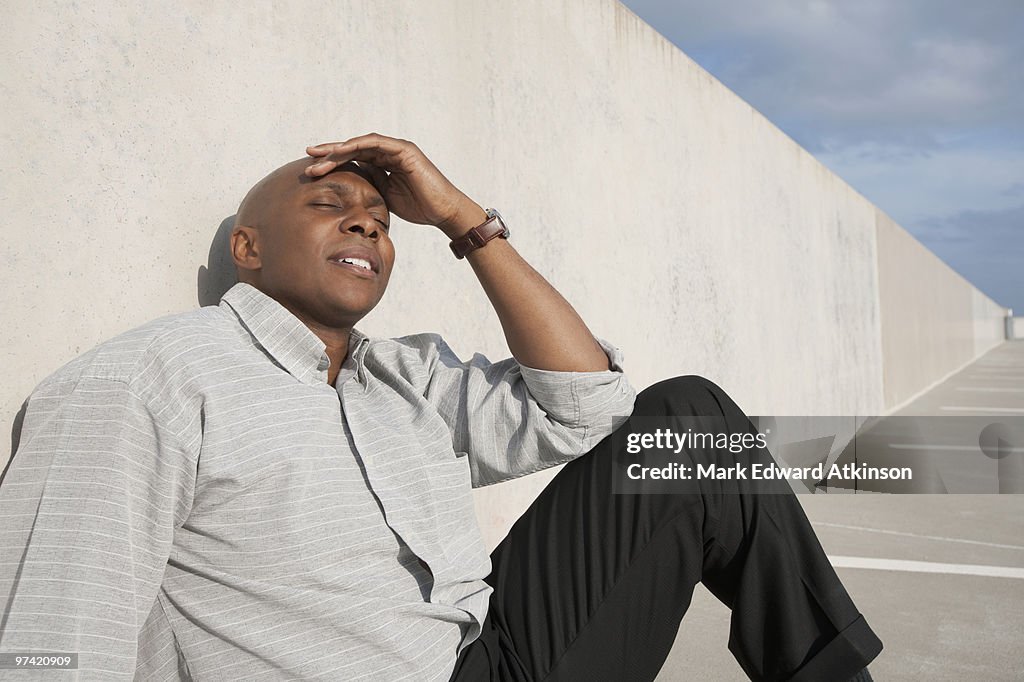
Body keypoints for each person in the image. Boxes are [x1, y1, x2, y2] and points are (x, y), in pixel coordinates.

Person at [0, 133, 881, 681]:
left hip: (492, 654)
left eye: (382, 219)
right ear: (248, 247)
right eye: (330, 205)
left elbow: (588, 407)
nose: (367, 227)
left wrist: (464, 220)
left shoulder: (404, 376)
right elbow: (53, 638)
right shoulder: (146, 381)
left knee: (688, 426)